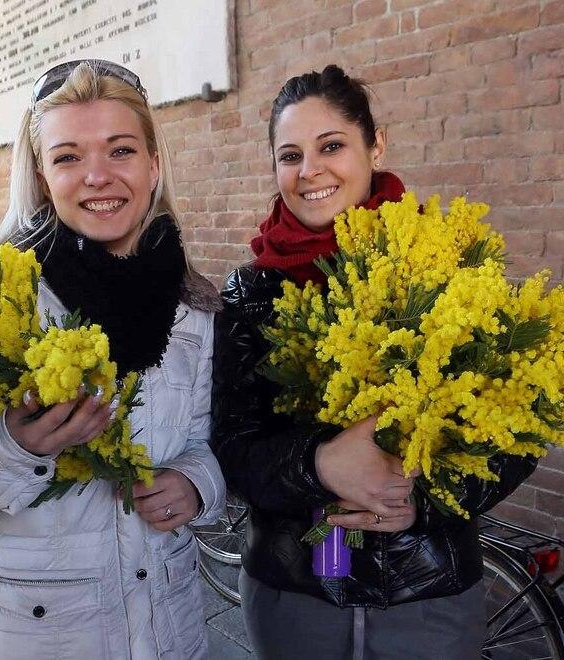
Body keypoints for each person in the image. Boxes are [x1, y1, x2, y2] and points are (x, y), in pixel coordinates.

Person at [0, 60, 225, 660]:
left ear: (154, 166)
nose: (97, 176)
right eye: (68, 156)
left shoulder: (195, 306)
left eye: (120, 150)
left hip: (169, 630)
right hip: (38, 633)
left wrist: (197, 485)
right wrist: (14, 449)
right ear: (44, 176)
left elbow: (207, 443)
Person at [211, 64, 537, 659]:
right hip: (293, 597)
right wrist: (321, 465)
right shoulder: (252, 292)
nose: (309, 171)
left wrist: (424, 495)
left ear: (375, 144)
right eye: (290, 155)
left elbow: (520, 432)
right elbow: (234, 449)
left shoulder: (447, 267)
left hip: (428, 591)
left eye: (330, 145)